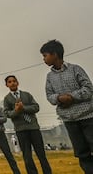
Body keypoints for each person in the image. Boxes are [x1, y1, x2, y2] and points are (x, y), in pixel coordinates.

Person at [40, 39, 93, 173]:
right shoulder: (49, 77)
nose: (44, 59)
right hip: (70, 120)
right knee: (82, 153)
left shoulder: (76, 69)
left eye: (45, 55)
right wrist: (59, 98)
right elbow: (50, 96)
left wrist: (72, 97)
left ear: (55, 54)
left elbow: (88, 89)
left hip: (87, 117)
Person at [3, 75, 52, 174]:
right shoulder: (7, 99)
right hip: (21, 129)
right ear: (6, 85)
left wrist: (24, 108)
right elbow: (7, 113)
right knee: (27, 156)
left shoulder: (27, 95)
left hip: (33, 127)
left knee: (41, 153)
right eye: (9, 82)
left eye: (14, 81)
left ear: (17, 82)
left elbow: (36, 107)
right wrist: (16, 111)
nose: (12, 83)